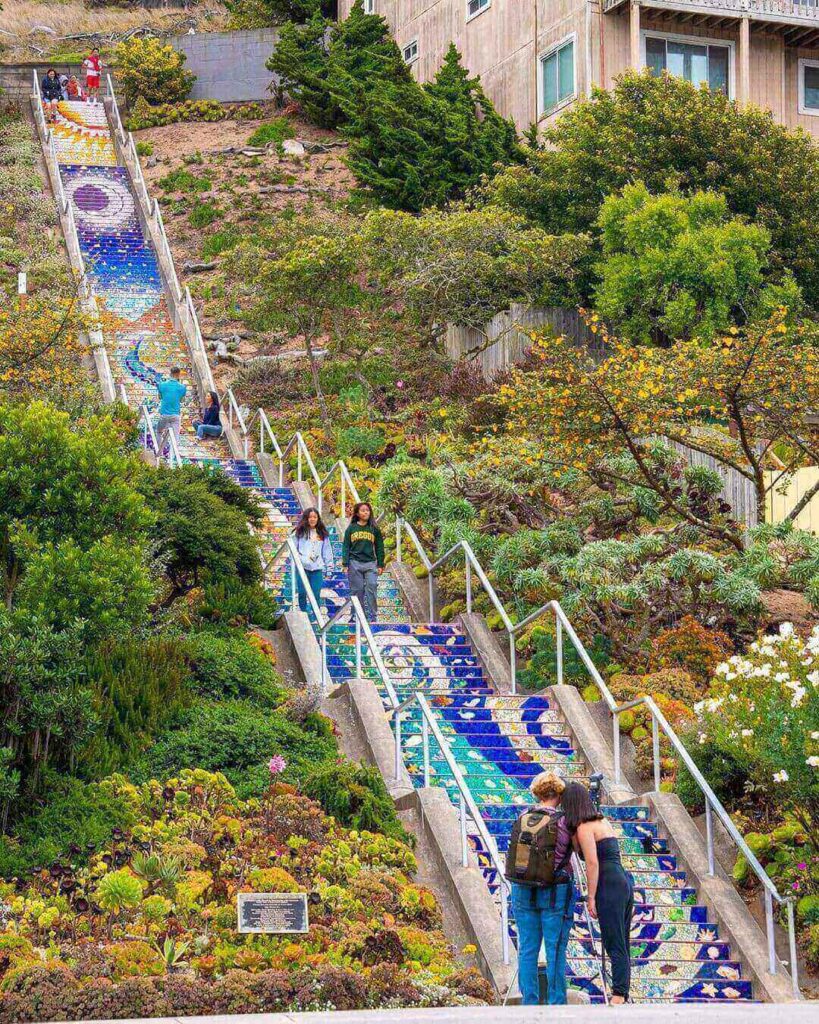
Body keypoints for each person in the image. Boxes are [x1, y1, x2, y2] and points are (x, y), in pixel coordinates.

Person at [562, 781, 634, 1005]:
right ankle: (622, 991)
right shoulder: (601, 821)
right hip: (621, 880)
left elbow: (592, 863)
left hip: (607, 884)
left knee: (614, 940)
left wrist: (591, 896)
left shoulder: (584, 827)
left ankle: (619, 995)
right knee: (622, 939)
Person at [506, 772, 574, 1005]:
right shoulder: (564, 821)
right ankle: (556, 1003)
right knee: (554, 949)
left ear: (537, 793)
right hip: (554, 892)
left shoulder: (524, 816)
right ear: (559, 793)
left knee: (527, 948)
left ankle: (530, 1003)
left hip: (523, 889)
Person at [341, 501, 384, 622]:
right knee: (357, 590)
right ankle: (357, 615)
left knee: (372, 586)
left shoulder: (374, 529)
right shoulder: (351, 528)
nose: (366, 512)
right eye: (363, 510)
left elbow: (380, 547)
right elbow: (346, 546)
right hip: (354, 563)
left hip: (370, 563)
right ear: (357, 513)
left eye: (367, 510)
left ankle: (373, 615)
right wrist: (345, 563)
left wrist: (380, 564)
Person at [293, 507, 333, 614]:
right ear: (306, 518)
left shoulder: (322, 534)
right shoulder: (299, 532)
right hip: (302, 568)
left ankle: (315, 615)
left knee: (316, 593)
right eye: (310, 517)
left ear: (318, 519)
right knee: (302, 592)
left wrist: (329, 567)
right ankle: (303, 612)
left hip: (317, 568)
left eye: (315, 517)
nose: (312, 519)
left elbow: (327, 551)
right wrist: (299, 560)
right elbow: (293, 548)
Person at [155, 367, 187, 456]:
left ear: (170, 373)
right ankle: (173, 455)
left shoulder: (162, 385)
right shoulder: (182, 387)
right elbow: (182, 400)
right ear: (178, 374)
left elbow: (160, 397)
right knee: (175, 436)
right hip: (175, 415)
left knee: (159, 432)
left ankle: (159, 452)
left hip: (164, 414)